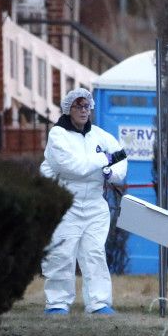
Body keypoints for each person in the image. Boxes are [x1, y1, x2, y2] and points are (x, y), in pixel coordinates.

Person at [39, 87, 128, 316]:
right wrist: (102, 160)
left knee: (94, 254)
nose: (83, 110)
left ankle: (98, 303)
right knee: (61, 254)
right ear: (69, 108)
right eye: (78, 106)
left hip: (95, 205)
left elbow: (120, 158)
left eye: (87, 106)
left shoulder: (99, 135)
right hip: (66, 204)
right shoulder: (58, 135)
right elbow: (71, 167)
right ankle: (57, 303)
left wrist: (109, 173)